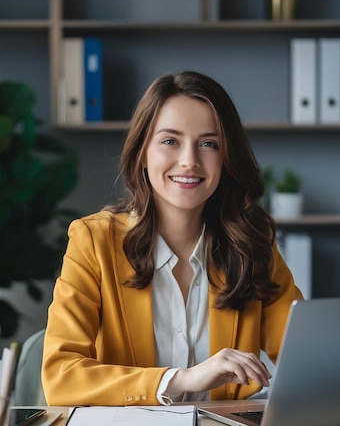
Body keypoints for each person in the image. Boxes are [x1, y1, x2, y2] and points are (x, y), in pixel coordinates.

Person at [42, 70, 302, 406]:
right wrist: (181, 379)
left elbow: (307, 359)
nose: (189, 161)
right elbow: (60, 377)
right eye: (170, 141)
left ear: (226, 158)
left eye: (208, 144)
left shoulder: (253, 242)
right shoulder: (94, 241)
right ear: (142, 154)